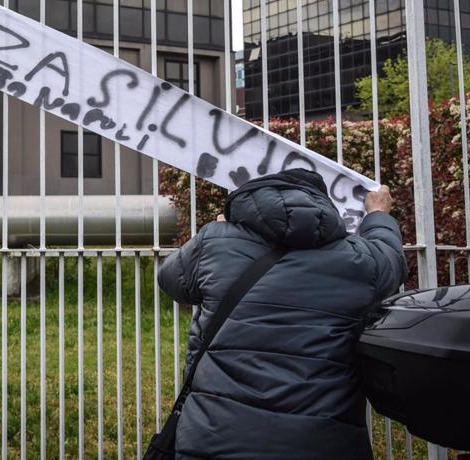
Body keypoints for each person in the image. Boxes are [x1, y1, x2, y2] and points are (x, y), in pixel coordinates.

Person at [157, 168, 406, 459]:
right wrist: (378, 214)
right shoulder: (359, 258)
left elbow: (172, 281)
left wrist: (217, 232)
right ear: (324, 206)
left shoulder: (217, 241)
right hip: (320, 441)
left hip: (215, 435)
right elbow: (392, 260)